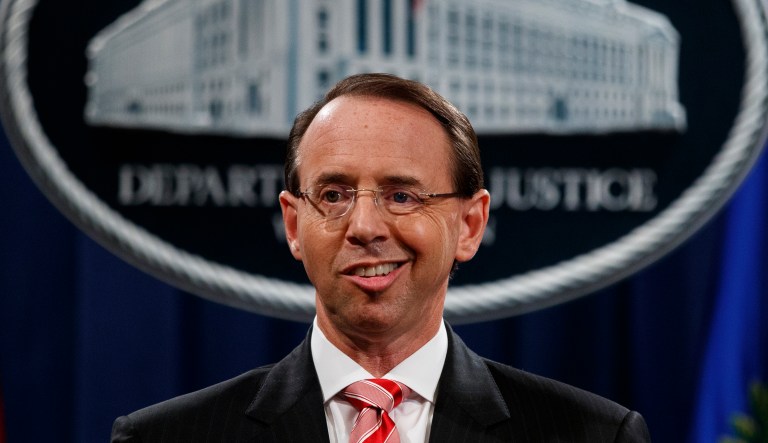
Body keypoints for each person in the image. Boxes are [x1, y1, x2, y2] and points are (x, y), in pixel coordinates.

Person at [111, 73, 651, 442]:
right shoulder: (165, 437)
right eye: (334, 195)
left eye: (401, 195)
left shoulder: (596, 435)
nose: (365, 227)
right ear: (295, 225)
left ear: (470, 225)